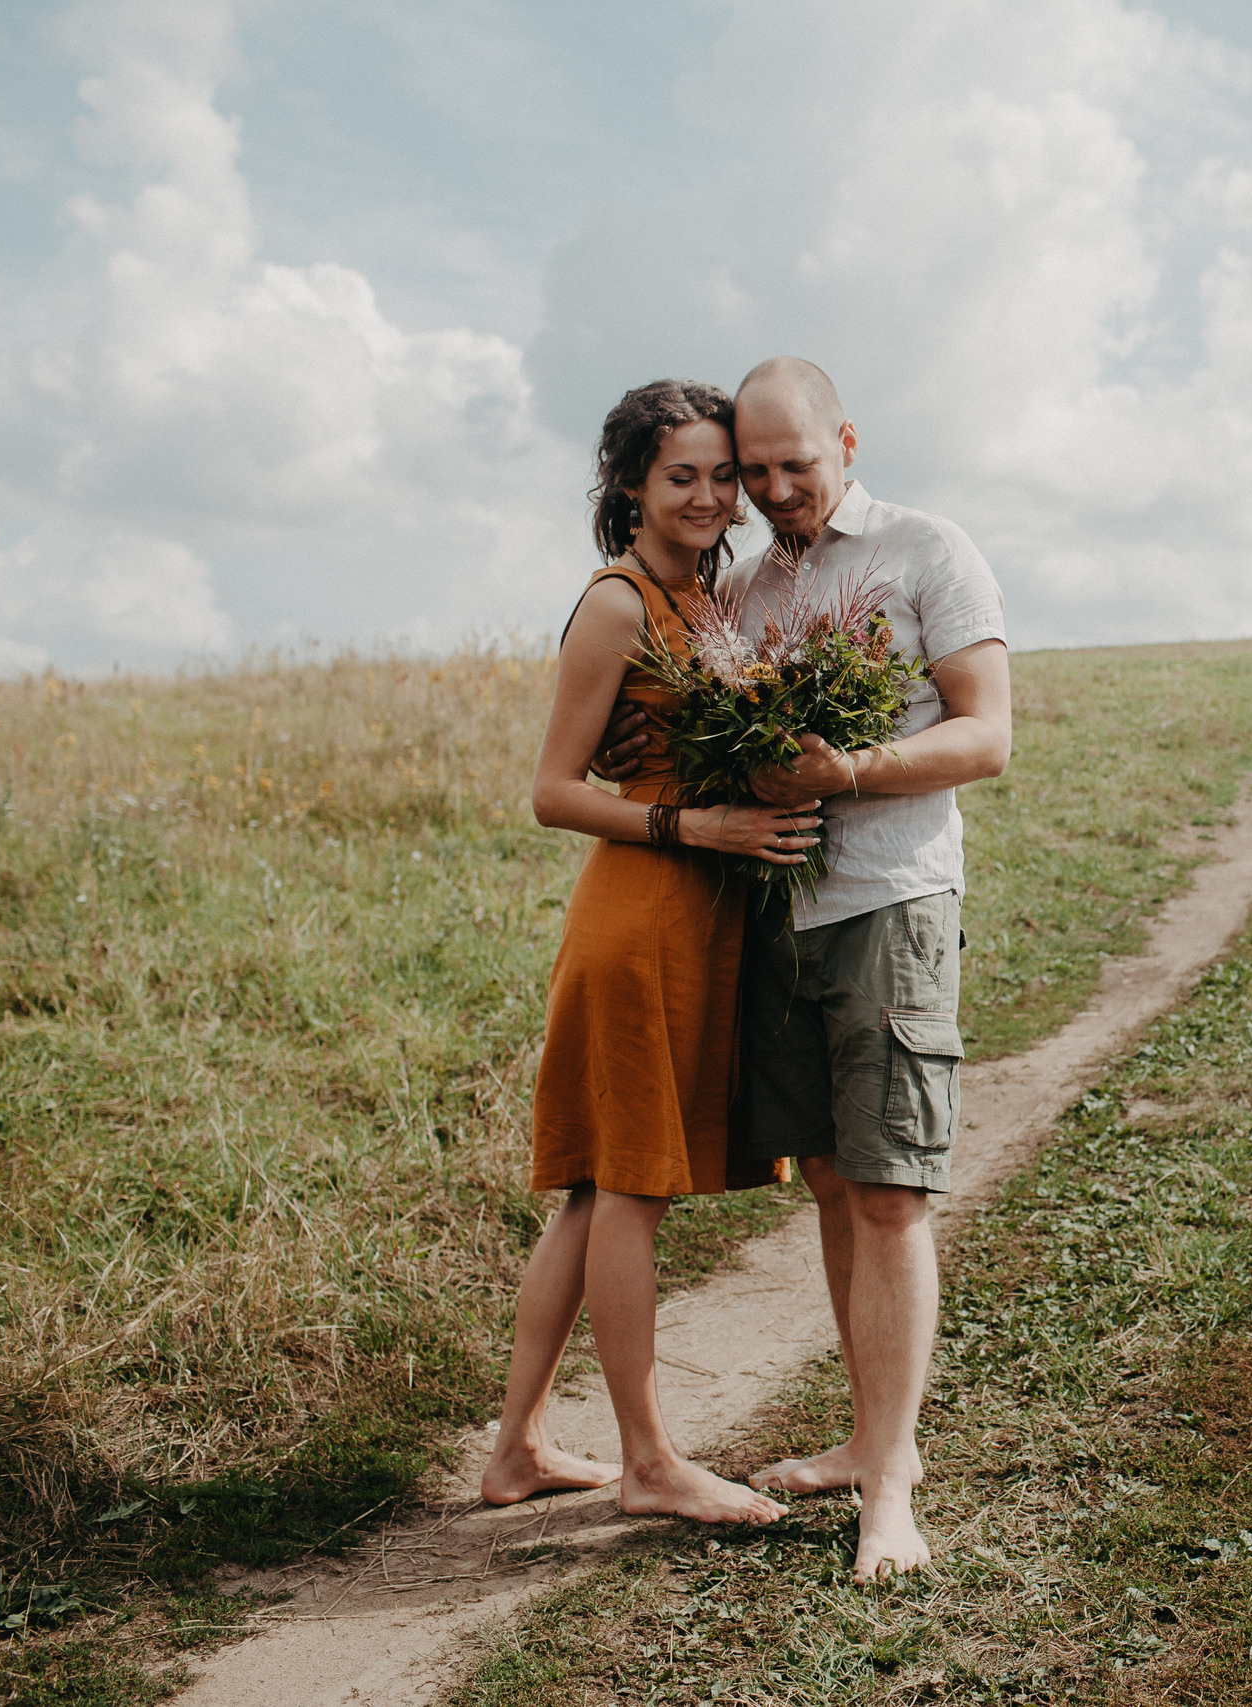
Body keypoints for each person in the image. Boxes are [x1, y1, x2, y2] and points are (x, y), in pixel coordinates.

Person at [596, 357, 1011, 1580]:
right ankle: (866, 1440)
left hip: (889, 903)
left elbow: (985, 736)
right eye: (754, 471)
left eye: (794, 465)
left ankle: (891, 1487)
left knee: (890, 1192)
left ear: (846, 439)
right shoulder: (746, 586)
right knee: (832, 1181)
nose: (774, 490)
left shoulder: (927, 548)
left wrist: (852, 771)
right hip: (777, 915)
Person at [480, 379, 826, 1524]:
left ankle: (517, 1451)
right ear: (629, 483)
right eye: (682, 475)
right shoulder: (620, 604)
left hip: (695, 919)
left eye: (724, 476)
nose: (712, 496)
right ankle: (647, 1463)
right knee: (632, 1188)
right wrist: (699, 824)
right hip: (638, 920)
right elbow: (549, 793)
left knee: (595, 1197)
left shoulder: (706, 600)